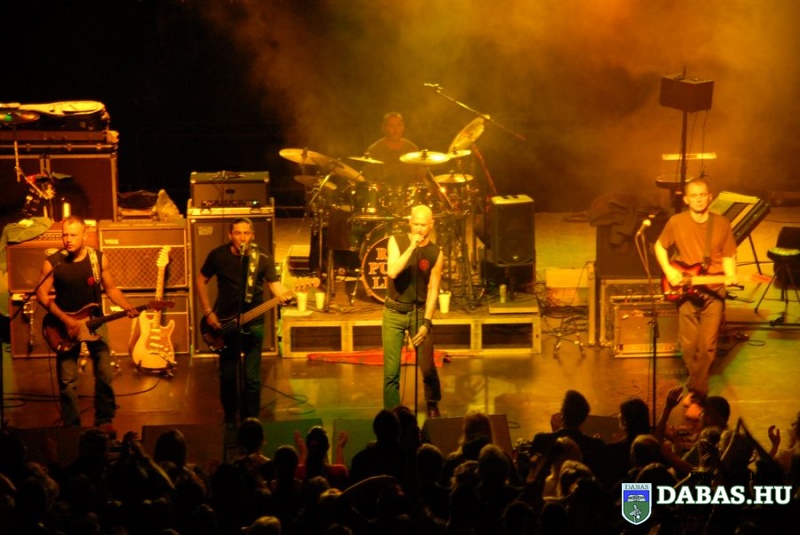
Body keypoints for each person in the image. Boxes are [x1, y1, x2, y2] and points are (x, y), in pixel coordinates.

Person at [36, 215, 139, 435]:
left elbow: (111, 289)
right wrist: (67, 320)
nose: (68, 239)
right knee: (67, 380)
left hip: (95, 322)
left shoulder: (98, 259)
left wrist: (127, 307)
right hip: (64, 326)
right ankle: (72, 429)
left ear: (85, 235)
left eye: (73, 235)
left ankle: (104, 420)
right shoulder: (53, 262)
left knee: (104, 373)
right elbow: (41, 295)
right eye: (64, 235)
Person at [195, 217, 288, 425]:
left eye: (246, 233)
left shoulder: (262, 257)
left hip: (254, 323)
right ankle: (230, 417)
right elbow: (200, 281)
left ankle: (251, 419)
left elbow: (275, 285)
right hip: (225, 324)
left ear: (252, 235)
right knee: (228, 375)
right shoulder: (218, 256)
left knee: (252, 378)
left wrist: (286, 295)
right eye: (238, 233)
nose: (242, 237)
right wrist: (208, 312)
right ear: (231, 235)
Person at [654, 177, 737, 404]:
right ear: (686, 199)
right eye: (694, 196)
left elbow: (729, 255)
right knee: (688, 345)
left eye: (702, 195)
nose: (699, 199)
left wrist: (731, 275)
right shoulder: (676, 222)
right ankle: (696, 386)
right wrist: (669, 271)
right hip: (686, 290)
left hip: (714, 291)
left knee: (707, 346)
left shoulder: (721, 223)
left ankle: (698, 396)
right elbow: (659, 246)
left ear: (710, 197)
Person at [382, 204, 444, 417]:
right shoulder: (396, 241)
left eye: (423, 225)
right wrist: (411, 248)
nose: (419, 228)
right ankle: (392, 414)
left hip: (418, 313)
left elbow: (434, 289)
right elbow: (392, 272)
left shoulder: (436, 253)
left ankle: (432, 404)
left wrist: (427, 322)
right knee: (391, 372)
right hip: (393, 313)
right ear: (409, 222)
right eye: (415, 224)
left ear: (431, 225)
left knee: (427, 367)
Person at [364, 112, 424, 188]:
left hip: (408, 193)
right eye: (391, 125)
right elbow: (369, 179)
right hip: (382, 193)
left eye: (398, 125)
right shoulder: (374, 150)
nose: (395, 130)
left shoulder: (412, 149)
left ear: (403, 127)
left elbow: (419, 178)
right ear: (384, 128)